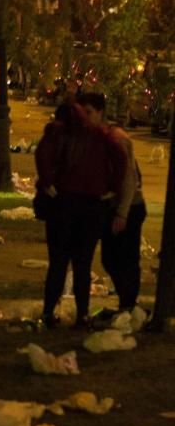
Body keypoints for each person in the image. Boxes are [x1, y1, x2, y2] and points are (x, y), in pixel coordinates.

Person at [35, 100, 127, 328]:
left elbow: (42, 156)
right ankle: (82, 314)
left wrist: (48, 182)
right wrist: (111, 186)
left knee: (58, 262)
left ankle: (48, 312)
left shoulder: (57, 134)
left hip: (62, 204)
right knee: (83, 263)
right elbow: (121, 158)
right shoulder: (99, 135)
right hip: (91, 206)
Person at [77, 93, 147, 317]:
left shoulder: (116, 138)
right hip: (112, 206)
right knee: (110, 257)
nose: (85, 119)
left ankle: (128, 304)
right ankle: (126, 303)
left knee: (125, 258)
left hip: (128, 206)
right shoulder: (97, 137)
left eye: (88, 113)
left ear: (100, 112)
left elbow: (129, 179)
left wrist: (122, 213)